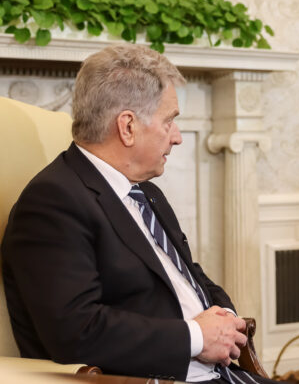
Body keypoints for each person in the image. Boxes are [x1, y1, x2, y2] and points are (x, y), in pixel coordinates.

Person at [1, 44, 278, 383]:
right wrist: (196, 337)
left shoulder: (146, 192)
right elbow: (75, 330)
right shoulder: (52, 203)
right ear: (128, 126)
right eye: (169, 121)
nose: (176, 137)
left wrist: (225, 319)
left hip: (217, 373)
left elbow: (191, 276)